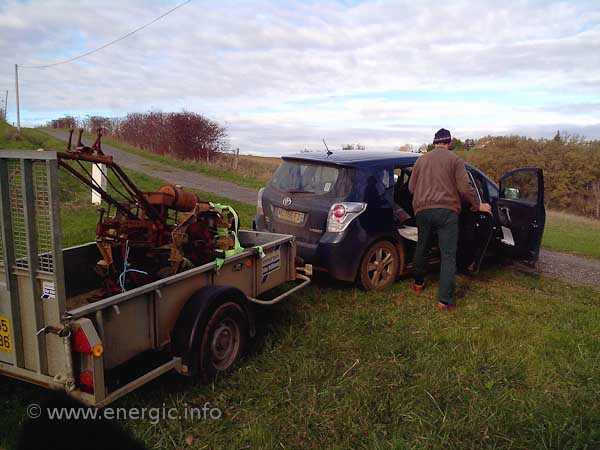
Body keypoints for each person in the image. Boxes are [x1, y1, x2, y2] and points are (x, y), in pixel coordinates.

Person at [408, 128, 491, 311]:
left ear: (434, 142)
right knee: (448, 255)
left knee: (422, 247)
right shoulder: (455, 160)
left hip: (422, 210)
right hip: (447, 212)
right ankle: (444, 301)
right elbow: (465, 189)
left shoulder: (421, 160)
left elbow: (411, 188)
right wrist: (478, 205)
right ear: (449, 142)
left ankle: (418, 284)